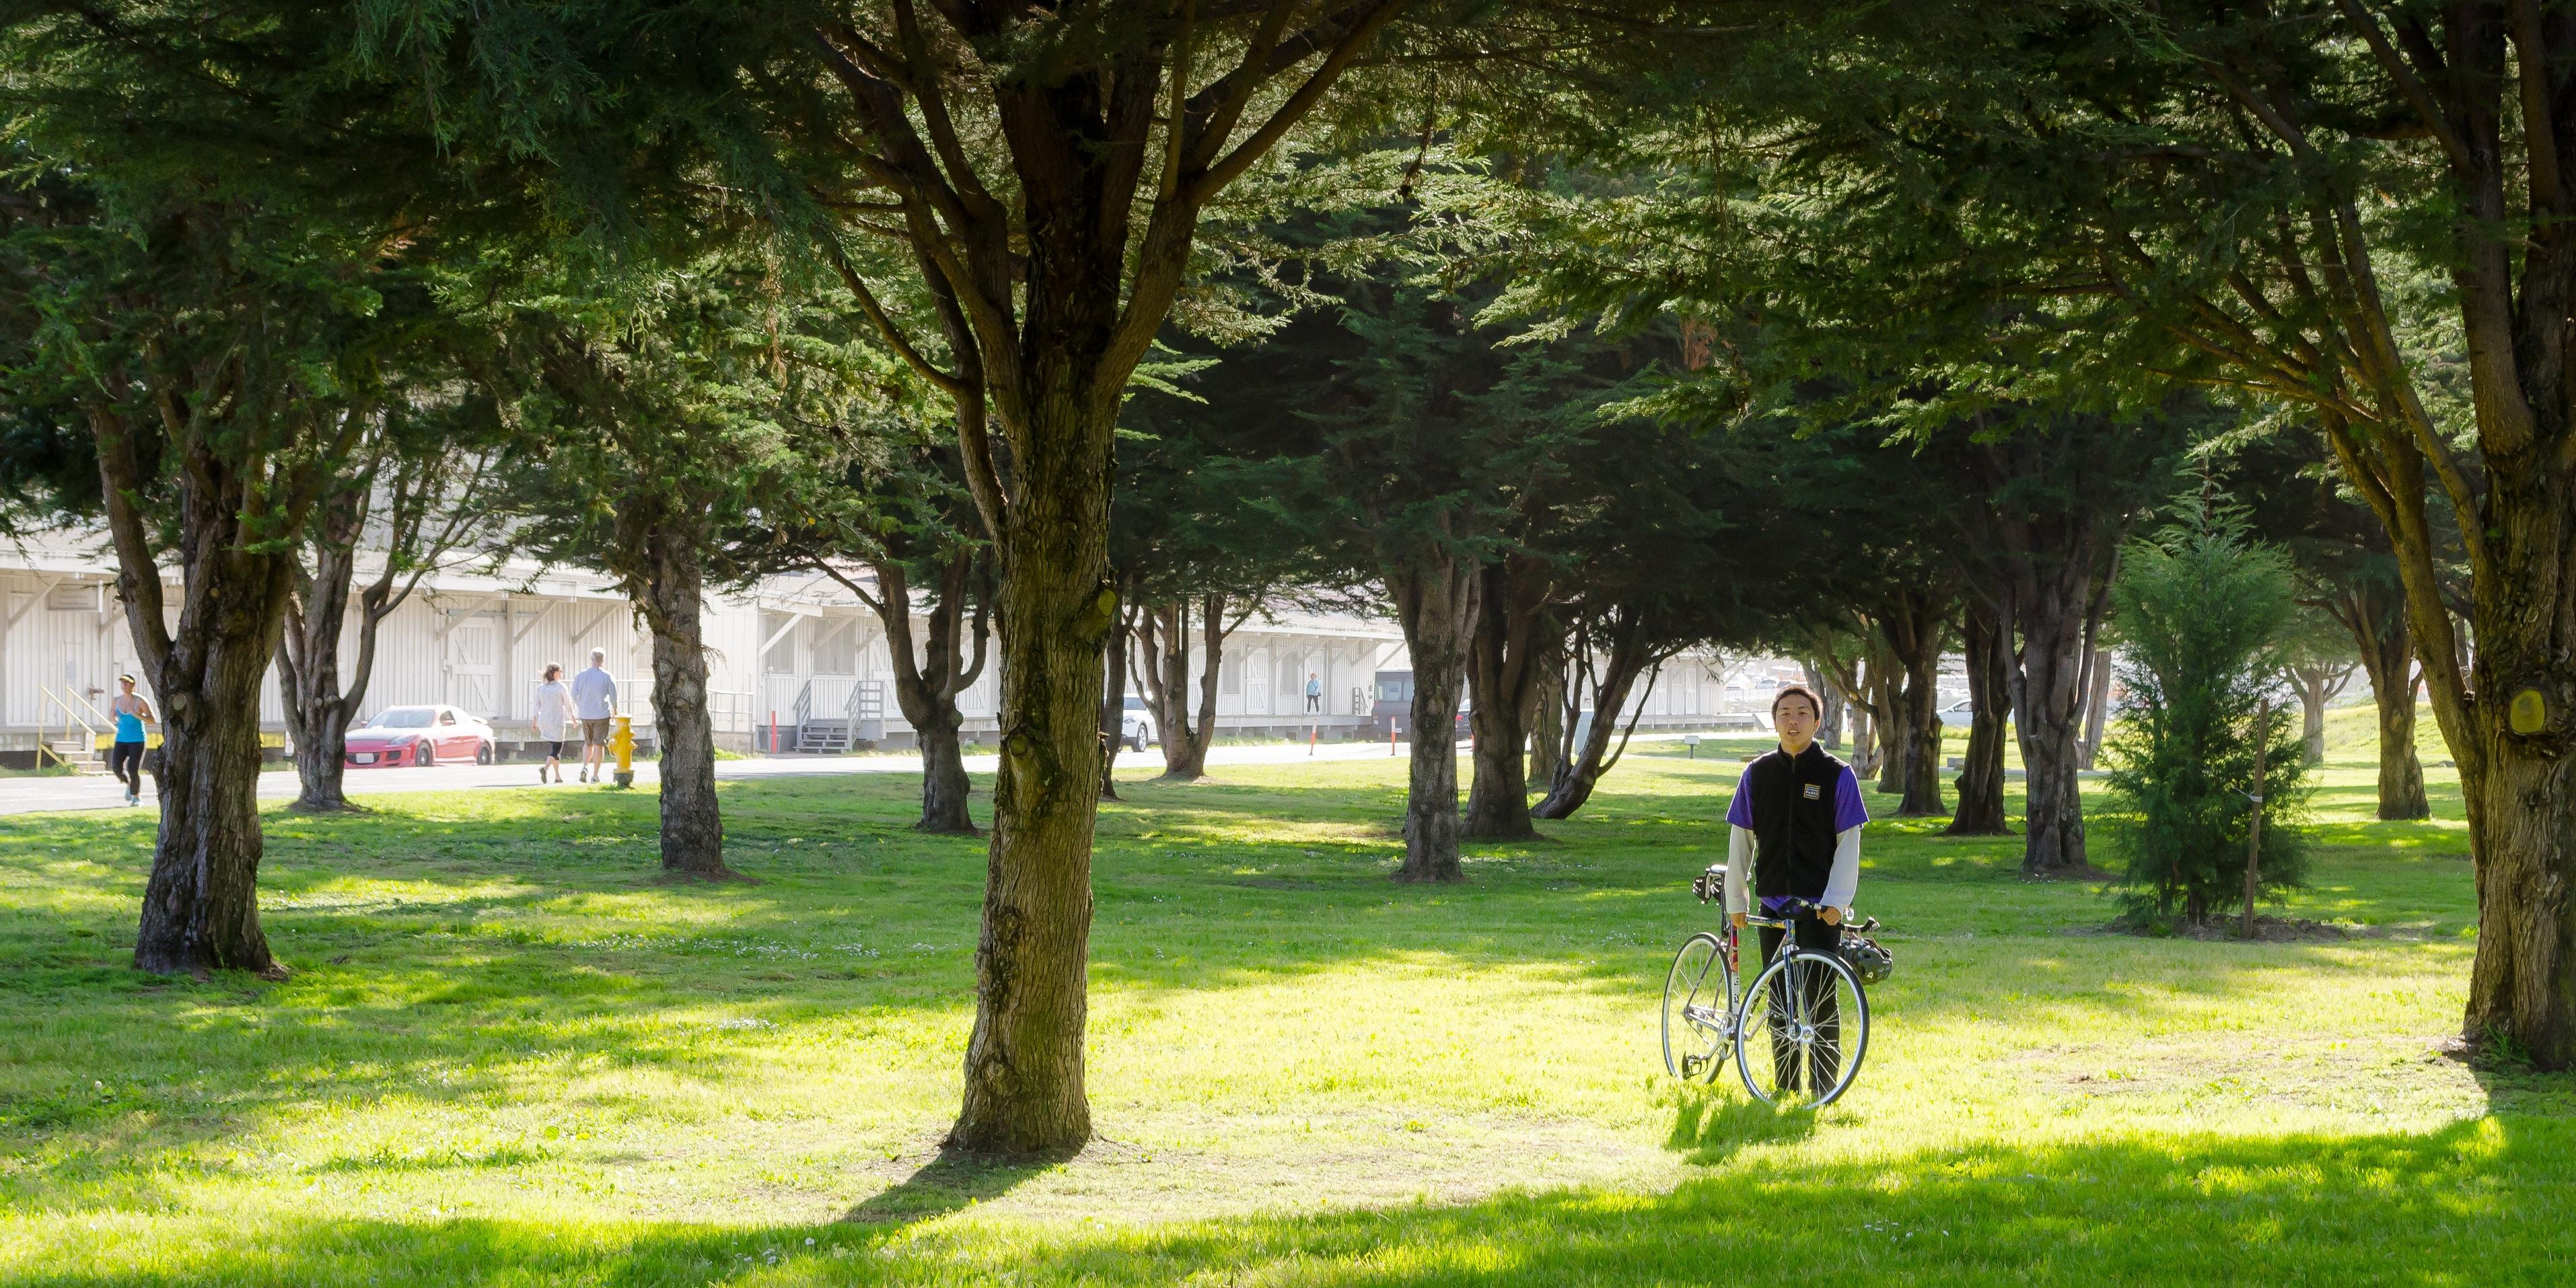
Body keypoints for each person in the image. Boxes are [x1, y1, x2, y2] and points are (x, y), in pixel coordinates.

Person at [1721, 684, 1867, 1092]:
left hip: (1820, 906)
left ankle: (1824, 1090)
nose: (1793, 720)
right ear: (1775, 721)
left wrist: (1837, 901)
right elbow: (1741, 841)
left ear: (1817, 722)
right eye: (1784, 713)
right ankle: (1786, 1086)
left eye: (1803, 713)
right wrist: (1737, 899)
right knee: (1780, 999)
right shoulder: (1757, 774)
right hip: (1773, 901)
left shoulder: (1837, 775)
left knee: (1821, 998)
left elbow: (1849, 844)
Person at [570, 647, 619, 783]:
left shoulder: (581, 675)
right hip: (601, 715)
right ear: (603, 660)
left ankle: (585, 767)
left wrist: (582, 705)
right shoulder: (607, 676)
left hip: (585, 715)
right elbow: (614, 697)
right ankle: (595, 775)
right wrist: (615, 711)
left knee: (588, 743)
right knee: (599, 745)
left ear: (591, 659)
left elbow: (573, 695)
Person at [107, 673, 155, 806]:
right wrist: (113, 717)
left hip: (137, 740)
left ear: (133, 685)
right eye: (122, 682)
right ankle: (128, 784)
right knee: (116, 767)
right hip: (121, 739)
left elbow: (152, 720)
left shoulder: (140, 701)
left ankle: (137, 797)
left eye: (127, 683)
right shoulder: (117, 700)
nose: (124, 685)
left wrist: (138, 715)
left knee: (132, 768)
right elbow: (113, 717)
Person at [530, 662, 577, 784]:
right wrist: (573, 718)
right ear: (555, 673)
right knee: (557, 749)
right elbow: (568, 705)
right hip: (557, 722)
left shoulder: (541, 688)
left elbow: (536, 705)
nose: (561, 673)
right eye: (560, 671)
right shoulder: (561, 687)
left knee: (554, 748)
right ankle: (545, 769)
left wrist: (534, 721)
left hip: (544, 721)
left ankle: (557, 776)